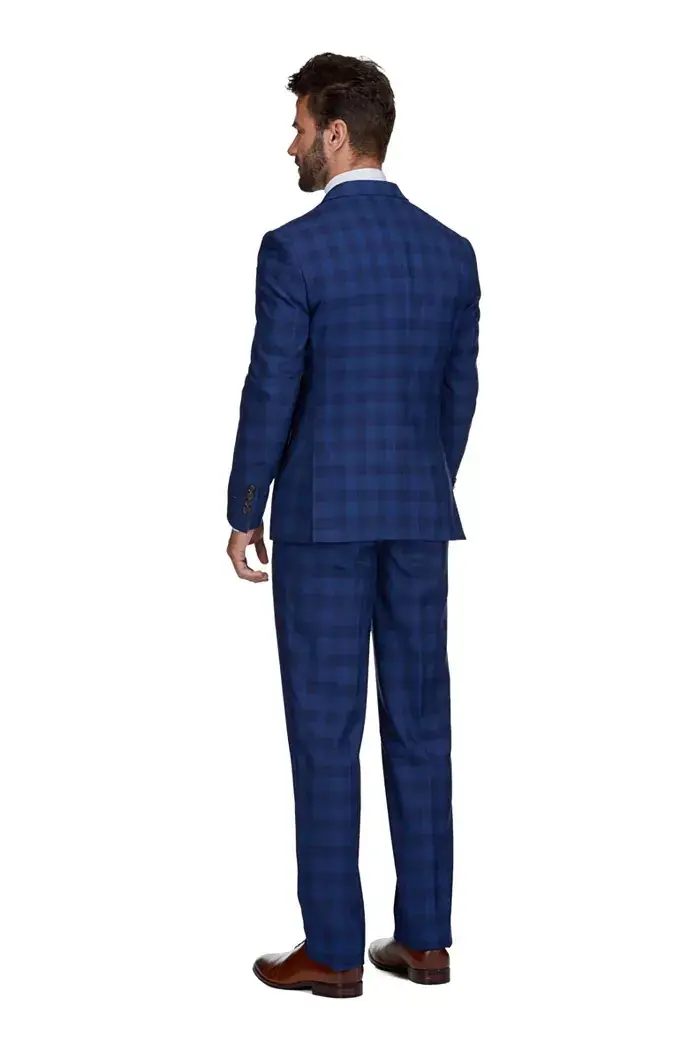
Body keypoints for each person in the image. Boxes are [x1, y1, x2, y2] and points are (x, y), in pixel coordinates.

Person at [226, 52, 481, 999]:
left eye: (299, 126)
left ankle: (335, 950)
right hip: (417, 516)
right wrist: (423, 480)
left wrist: (245, 505)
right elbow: (459, 392)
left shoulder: (295, 250)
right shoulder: (451, 251)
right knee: (421, 724)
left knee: (325, 732)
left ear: (337, 134)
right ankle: (426, 942)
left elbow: (272, 386)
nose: (291, 143)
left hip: (322, 522)